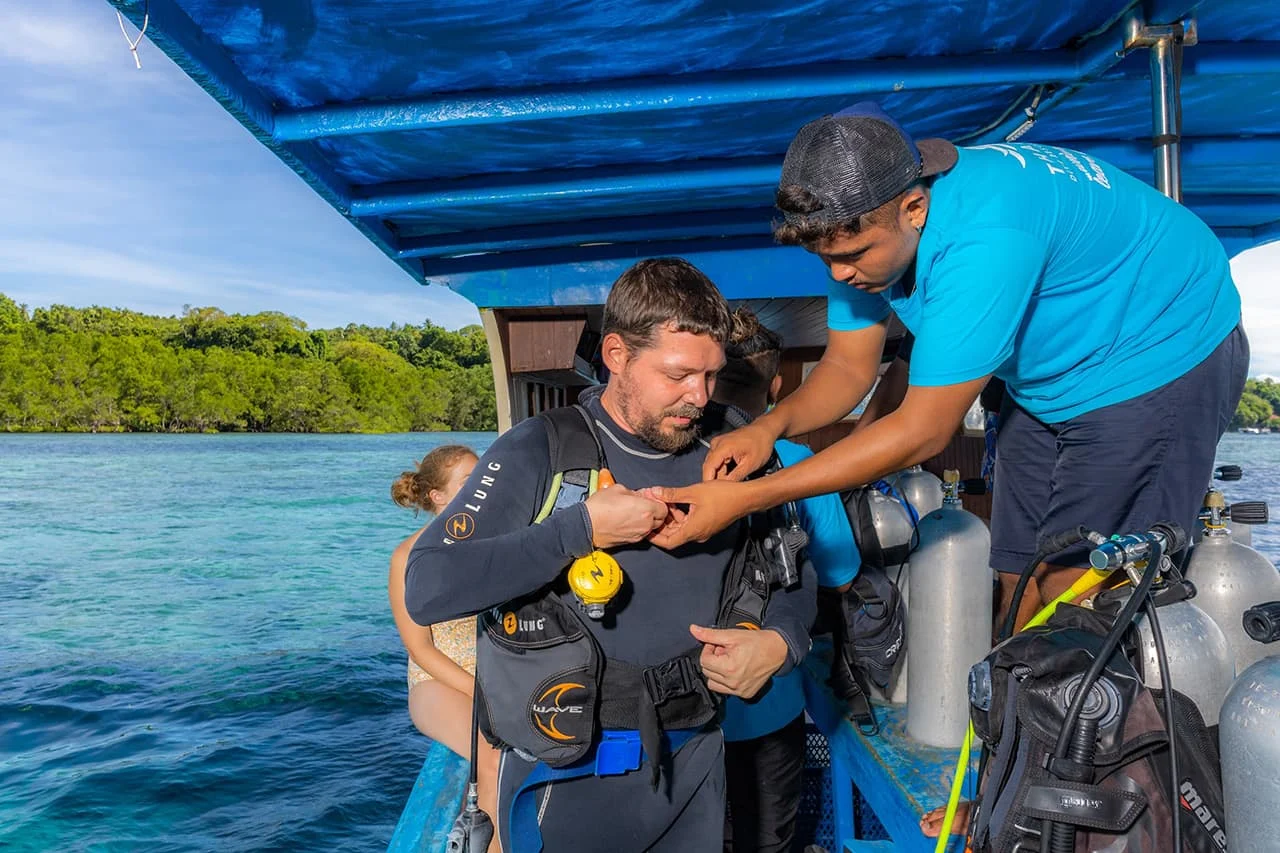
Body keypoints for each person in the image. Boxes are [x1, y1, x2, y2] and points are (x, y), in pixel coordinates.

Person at [646, 100, 1248, 838]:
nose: (839, 272)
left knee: (1085, 595)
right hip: (1051, 377)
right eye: (824, 257)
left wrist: (751, 498)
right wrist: (769, 426)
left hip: (1160, 359)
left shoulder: (984, 235)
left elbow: (922, 431)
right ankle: (1005, 775)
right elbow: (847, 366)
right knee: (1017, 577)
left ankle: (1083, 802)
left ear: (914, 207)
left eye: (852, 254)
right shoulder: (860, 223)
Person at [403, 258, 817, 853]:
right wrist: (579, 530)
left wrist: (780, 643)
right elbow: (430, 585)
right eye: (677, 375)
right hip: (565, 775)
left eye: (711, 375)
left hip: (695, 760)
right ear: (618, 355)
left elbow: (793, 569)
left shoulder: (735, 442)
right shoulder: (541, 448)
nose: (698, 398)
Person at [712, 308, 860, 853]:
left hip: (678, 724)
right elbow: (841, 578)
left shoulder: (663, 462)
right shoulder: (798, 463)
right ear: (776, 387)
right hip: (769, 709)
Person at [388, 444, 500, 852]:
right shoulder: (408, 557)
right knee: (491, 753)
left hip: (494, 675)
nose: (485, 488)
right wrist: (482, 693)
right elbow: (419, 649)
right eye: (471, 482)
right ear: (438, 496)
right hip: (437, 679)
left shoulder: (498, 541)